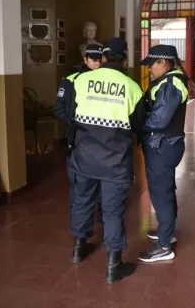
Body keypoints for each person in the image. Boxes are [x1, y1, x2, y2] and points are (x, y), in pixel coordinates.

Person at [63, 37, 144, 284]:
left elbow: (67, 114)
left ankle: (78, 250)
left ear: (104, 58)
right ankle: (113, 266)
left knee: (82, 201)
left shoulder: (80, 81)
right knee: (112, 211)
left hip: (83, 157)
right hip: (115, 162)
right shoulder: (132, 87)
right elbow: (138, 125)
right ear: (125, 59)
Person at [138, 44, 189, 263]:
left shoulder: (171, 84)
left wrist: (135, 122)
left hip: (163, 145)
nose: (150, 69)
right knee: (164, 189)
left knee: (161, 192)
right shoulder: (171, 81)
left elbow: (159, 120)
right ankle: (166, 232)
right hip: (166, 144)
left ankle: (164, 246)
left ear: (162, 63)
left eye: (151, 65)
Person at [54, 43, 104, 225]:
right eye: (93, 60)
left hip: (102, 138)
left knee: (102, 181)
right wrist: (76, 123)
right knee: (80, 184)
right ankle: (80, 220)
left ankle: (103, 216)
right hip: (78, 139)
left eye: (100, 60)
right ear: (85, 60)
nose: (97, 64)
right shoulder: (71, 80)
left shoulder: (107, 81)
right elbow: (59, 109)